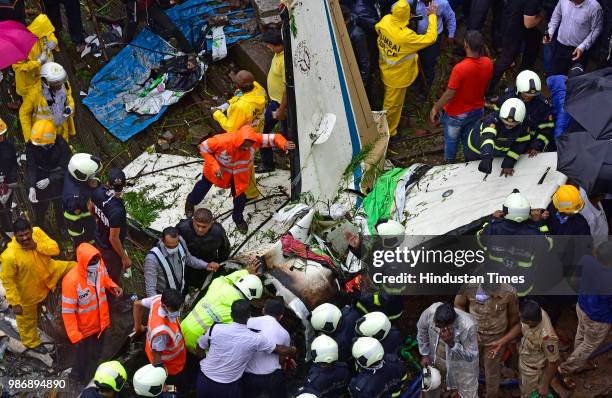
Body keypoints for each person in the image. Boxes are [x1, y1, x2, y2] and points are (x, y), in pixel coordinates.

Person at [185, 125, 295, 233]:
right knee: (202, 187)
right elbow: (204, 147)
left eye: (249, 146)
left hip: (238, 177)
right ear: (239, 140)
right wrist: (214, 166)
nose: (246, 148)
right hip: (215, 172)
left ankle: (238, 219)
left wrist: (283, 143)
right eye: (244, 146)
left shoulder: (256, 139)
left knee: (240, 198)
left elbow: (274, 138)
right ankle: (190, 202)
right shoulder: (222, 141)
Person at [195, 299, 297, 398]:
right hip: (228, 385)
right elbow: (280, 351)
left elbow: (199, 346)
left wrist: (206, 361)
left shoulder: (215, 328)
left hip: (204, 379)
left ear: (231, 315)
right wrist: (292, 350)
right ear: (249, 315)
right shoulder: (256, 338)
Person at [0, 218, 74, 353]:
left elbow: (55, 249)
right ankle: (32, 343)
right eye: (21, 236)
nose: (25, 238)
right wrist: (15, 303)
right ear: (14, 235)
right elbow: (8, 281)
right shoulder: (9, 256)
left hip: (51, 271)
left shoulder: (38, 233)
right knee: (26, 322)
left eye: (27, 233)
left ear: (31, 230)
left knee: (75, 267)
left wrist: (37, 246)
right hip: (29, 292)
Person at [375, 0, 438, 137]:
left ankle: (389, 127)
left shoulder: (386, 20)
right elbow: (431, 38)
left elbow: (377, 28)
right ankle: (388, 133)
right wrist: (432, 15)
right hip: (398, 78)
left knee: (389, 101)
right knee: (392, 106)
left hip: (385, 69)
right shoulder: (406, 37)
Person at [61, 242, 123, 382]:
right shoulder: (71, 281)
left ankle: (90, 378)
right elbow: (68, 312)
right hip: (84, 331)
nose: (95, 263)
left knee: (95, 354)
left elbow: (105, 279)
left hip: (101, 324)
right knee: (82, 355)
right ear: (82, 262)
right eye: (91, 261)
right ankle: (76, 377)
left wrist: (113, 286)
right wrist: (74, 334)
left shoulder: (99, 267)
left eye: (96, 259)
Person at [430, 30, 493, 163]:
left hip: (456, 113)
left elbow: (449, 94)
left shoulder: (460, 68)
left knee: (452, 141)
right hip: (477, 109)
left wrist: (436, 108)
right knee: (469, 138)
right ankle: (468, 160)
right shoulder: (488, 62)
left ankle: (449, 164)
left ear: (466, 45)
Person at [557, 241, 612, 389]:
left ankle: (579, 362)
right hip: (598, 318)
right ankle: (565, 369)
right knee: (588, 345)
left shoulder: (586, 260)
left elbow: (574, 281)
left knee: (581, 334)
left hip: (581, 306)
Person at [477, 189, 553, 296]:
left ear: (505, 211)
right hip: (520, 287)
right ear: (527, 212)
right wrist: (539, 224)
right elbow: (547, 246)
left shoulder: (493, 228)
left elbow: (481, 240)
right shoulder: (534, 234)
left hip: (495, 283)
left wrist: (492, 221)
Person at [455, 283, 520, 398]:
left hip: (496, 339)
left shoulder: (509, 292)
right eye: (488, 294)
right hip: (472, 336)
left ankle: (491, 395)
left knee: (492, 372)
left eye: (494, 295)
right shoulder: (469, 287)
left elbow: (513, 316)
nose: (491, 297)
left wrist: (507, 339)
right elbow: (459, 305)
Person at [181, 266, 262, 353]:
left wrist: (245, 273)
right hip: (196, 346)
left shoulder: (218, 284)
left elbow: (225, 279)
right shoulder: (239, 311)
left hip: (182, 329)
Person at [487, 300, 559, 397]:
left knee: (529, 394)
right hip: (524, 361)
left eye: (521, 318)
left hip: (533, 372)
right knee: (523, 387)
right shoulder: (534, 312)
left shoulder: (547, 338)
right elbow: (520, 326)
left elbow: (553, 363)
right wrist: (501, 342)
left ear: (530, 322)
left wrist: (544, 385)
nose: (519, 318)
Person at [133, 289, 190, 394]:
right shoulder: (161, 333)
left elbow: (137, 304)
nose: (177, 312)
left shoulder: (158, 299)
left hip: (176, 359)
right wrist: (163, 384)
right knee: (177, 389)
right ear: (164, 306)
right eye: (174, 310)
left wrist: (138, 328)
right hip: (171, 369)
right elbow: (157, 361)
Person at [417, 302, 479, 398]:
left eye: (440, 326)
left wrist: (452, 343)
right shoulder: (431, 312)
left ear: (450, 324)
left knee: (469, 394)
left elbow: (471, 356)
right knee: (428, 385)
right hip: (435, 359)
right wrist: (425, 354)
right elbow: (422, 329)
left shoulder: (468, 326)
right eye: (436, 324)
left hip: (461, 367)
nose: (437, 327)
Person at [143, 226, 218, 297]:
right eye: (169, 246)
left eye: (176, 245)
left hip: (180, 291)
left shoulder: (181, 242)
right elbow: (150, 289)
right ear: (162, 240)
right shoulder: (152, 259)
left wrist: (206, 265)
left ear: (178, 238)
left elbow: (188, 258)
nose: (173, 249)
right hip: (163, 296)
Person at [26, 119, 71, 235]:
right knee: (39, 207)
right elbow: (31, 167)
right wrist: (31, 187)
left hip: (57, 179)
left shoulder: (61, 144)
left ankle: (62, 227)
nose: (39, 147)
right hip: (40, 177)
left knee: (59, 205)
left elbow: (65, 167)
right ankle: (41, 228)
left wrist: (50, 179)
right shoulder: (31, 144)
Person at [466, 98, 531, 177]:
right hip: (476, 148)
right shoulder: (492, 120)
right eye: (505, 122)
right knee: (471, 173)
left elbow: (519, 144)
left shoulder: (523, 124)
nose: (509, 125)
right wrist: (486, 157)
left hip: (499, 150)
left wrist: (508, 164)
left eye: (513, 124)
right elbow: (488, 139)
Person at [488, 0, 544, 92]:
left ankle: (525, 70)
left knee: (535, 37)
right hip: (513, 28)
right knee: (506, 59)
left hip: (510, 17)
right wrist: (542, 16)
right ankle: (488, 88)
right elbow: (529, 23)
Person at [494, 70, 554, 154]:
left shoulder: (542, 104)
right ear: (519, 89)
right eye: (526, 94)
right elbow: (496, 118)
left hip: (529, 143)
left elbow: (547, 127)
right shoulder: (507, 97)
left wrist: (536, 146)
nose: (529, 97)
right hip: (505, 141)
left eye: (533, 95)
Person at [242, 299, 291, 398]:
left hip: (248, 376)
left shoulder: (248, 322)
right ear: (281, 316)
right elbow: (282, 360)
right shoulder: (285, 333)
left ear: (263, 310)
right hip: (272, 378)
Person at [90, 168, 131, 286]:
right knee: (112, 273)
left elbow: (91, 208)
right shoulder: (117, 210)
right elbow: (113, 238)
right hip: (110, 248)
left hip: (99, 237)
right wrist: (124, 258)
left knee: (102, 262)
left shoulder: (97, 192)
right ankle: (112, 291)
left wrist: (98, 218)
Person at [19, 61, 76, 142]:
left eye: (60, 81)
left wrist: (70, 107)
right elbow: (24, 114)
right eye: (56, 83)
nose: (60, 85)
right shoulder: (34, 93)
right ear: (44, 81)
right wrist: (29, 139)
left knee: (62, 148)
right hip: (43, 132)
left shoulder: (64, 85)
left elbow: (69, 96)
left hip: (61, 129)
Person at [257, 29, 288, 173]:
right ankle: (283, 148)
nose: (267, 48)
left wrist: (281, 109)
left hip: (279, 104)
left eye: (268, 45)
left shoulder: (285, 60)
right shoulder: (278, 53)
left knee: (262, 132)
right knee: (285, 128)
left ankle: (268, 164)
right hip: (275, 101)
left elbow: (287, 88)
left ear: (276, 44)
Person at [544, 0, 603, 75]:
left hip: (579, 51)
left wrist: (583, 46)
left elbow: (596, 29)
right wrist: (550, 32)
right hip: (560, 46)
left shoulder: (595, 7)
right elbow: (556, 16)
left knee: (575, 80)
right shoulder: (563, 1)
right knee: (557, 76)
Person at [176, 208, 229, 289]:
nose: (200, 229)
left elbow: (225, 249)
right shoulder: (182, 227)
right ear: (193, 221)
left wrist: (219, 265)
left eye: (204, 227)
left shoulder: (217, 232)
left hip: (208, 264)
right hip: (185, 263)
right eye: (198, 225)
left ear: (211, 224)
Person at [12, 14, 59, 98]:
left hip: (42, 75)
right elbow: (18, 67)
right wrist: (38, 62)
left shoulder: (42, 29)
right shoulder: (20, 44)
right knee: (30, 103)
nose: (45, 36)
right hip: (28, 82)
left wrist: (54, 41)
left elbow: (49, 33)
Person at [414, 0, 456, 93]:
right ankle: (417, 82)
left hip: (434, 39)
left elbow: (451, 17)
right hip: (419, 38)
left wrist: (451, 35)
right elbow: (396, 7)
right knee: (418, 60)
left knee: (428, 63)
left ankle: (425, 90)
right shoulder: (414, 1)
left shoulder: (442, 3)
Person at [63, 153, 101, 250]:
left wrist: (94, 182)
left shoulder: (73, 173)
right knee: (85, 243)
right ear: (83, 175)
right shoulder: (74, 197)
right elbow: (75, 224)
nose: (94, 176)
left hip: (87, 217)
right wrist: (81, 243)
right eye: (92, 175)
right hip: (78, 222)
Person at [123, 0, 193, 54]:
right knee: (130, 32)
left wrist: (166, 4)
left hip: (152, 7)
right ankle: (124, 48)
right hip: (137, 12)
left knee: (172, 28)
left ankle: (189, 50)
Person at [211, 70, 267, 134]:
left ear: (237, 86)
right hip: (258, 127)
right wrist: (229, 103)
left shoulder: (240, 107)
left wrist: (217, 113)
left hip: (245, 136)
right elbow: (241, 96)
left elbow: (230, 128)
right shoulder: (259, 88)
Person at [0, 119, 18, 239]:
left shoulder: (8, 146)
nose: (1, 138)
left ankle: (9, 238)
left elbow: (13, 166)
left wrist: (9, 188)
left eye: (2, 135)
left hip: (6, 185)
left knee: (6, 211)